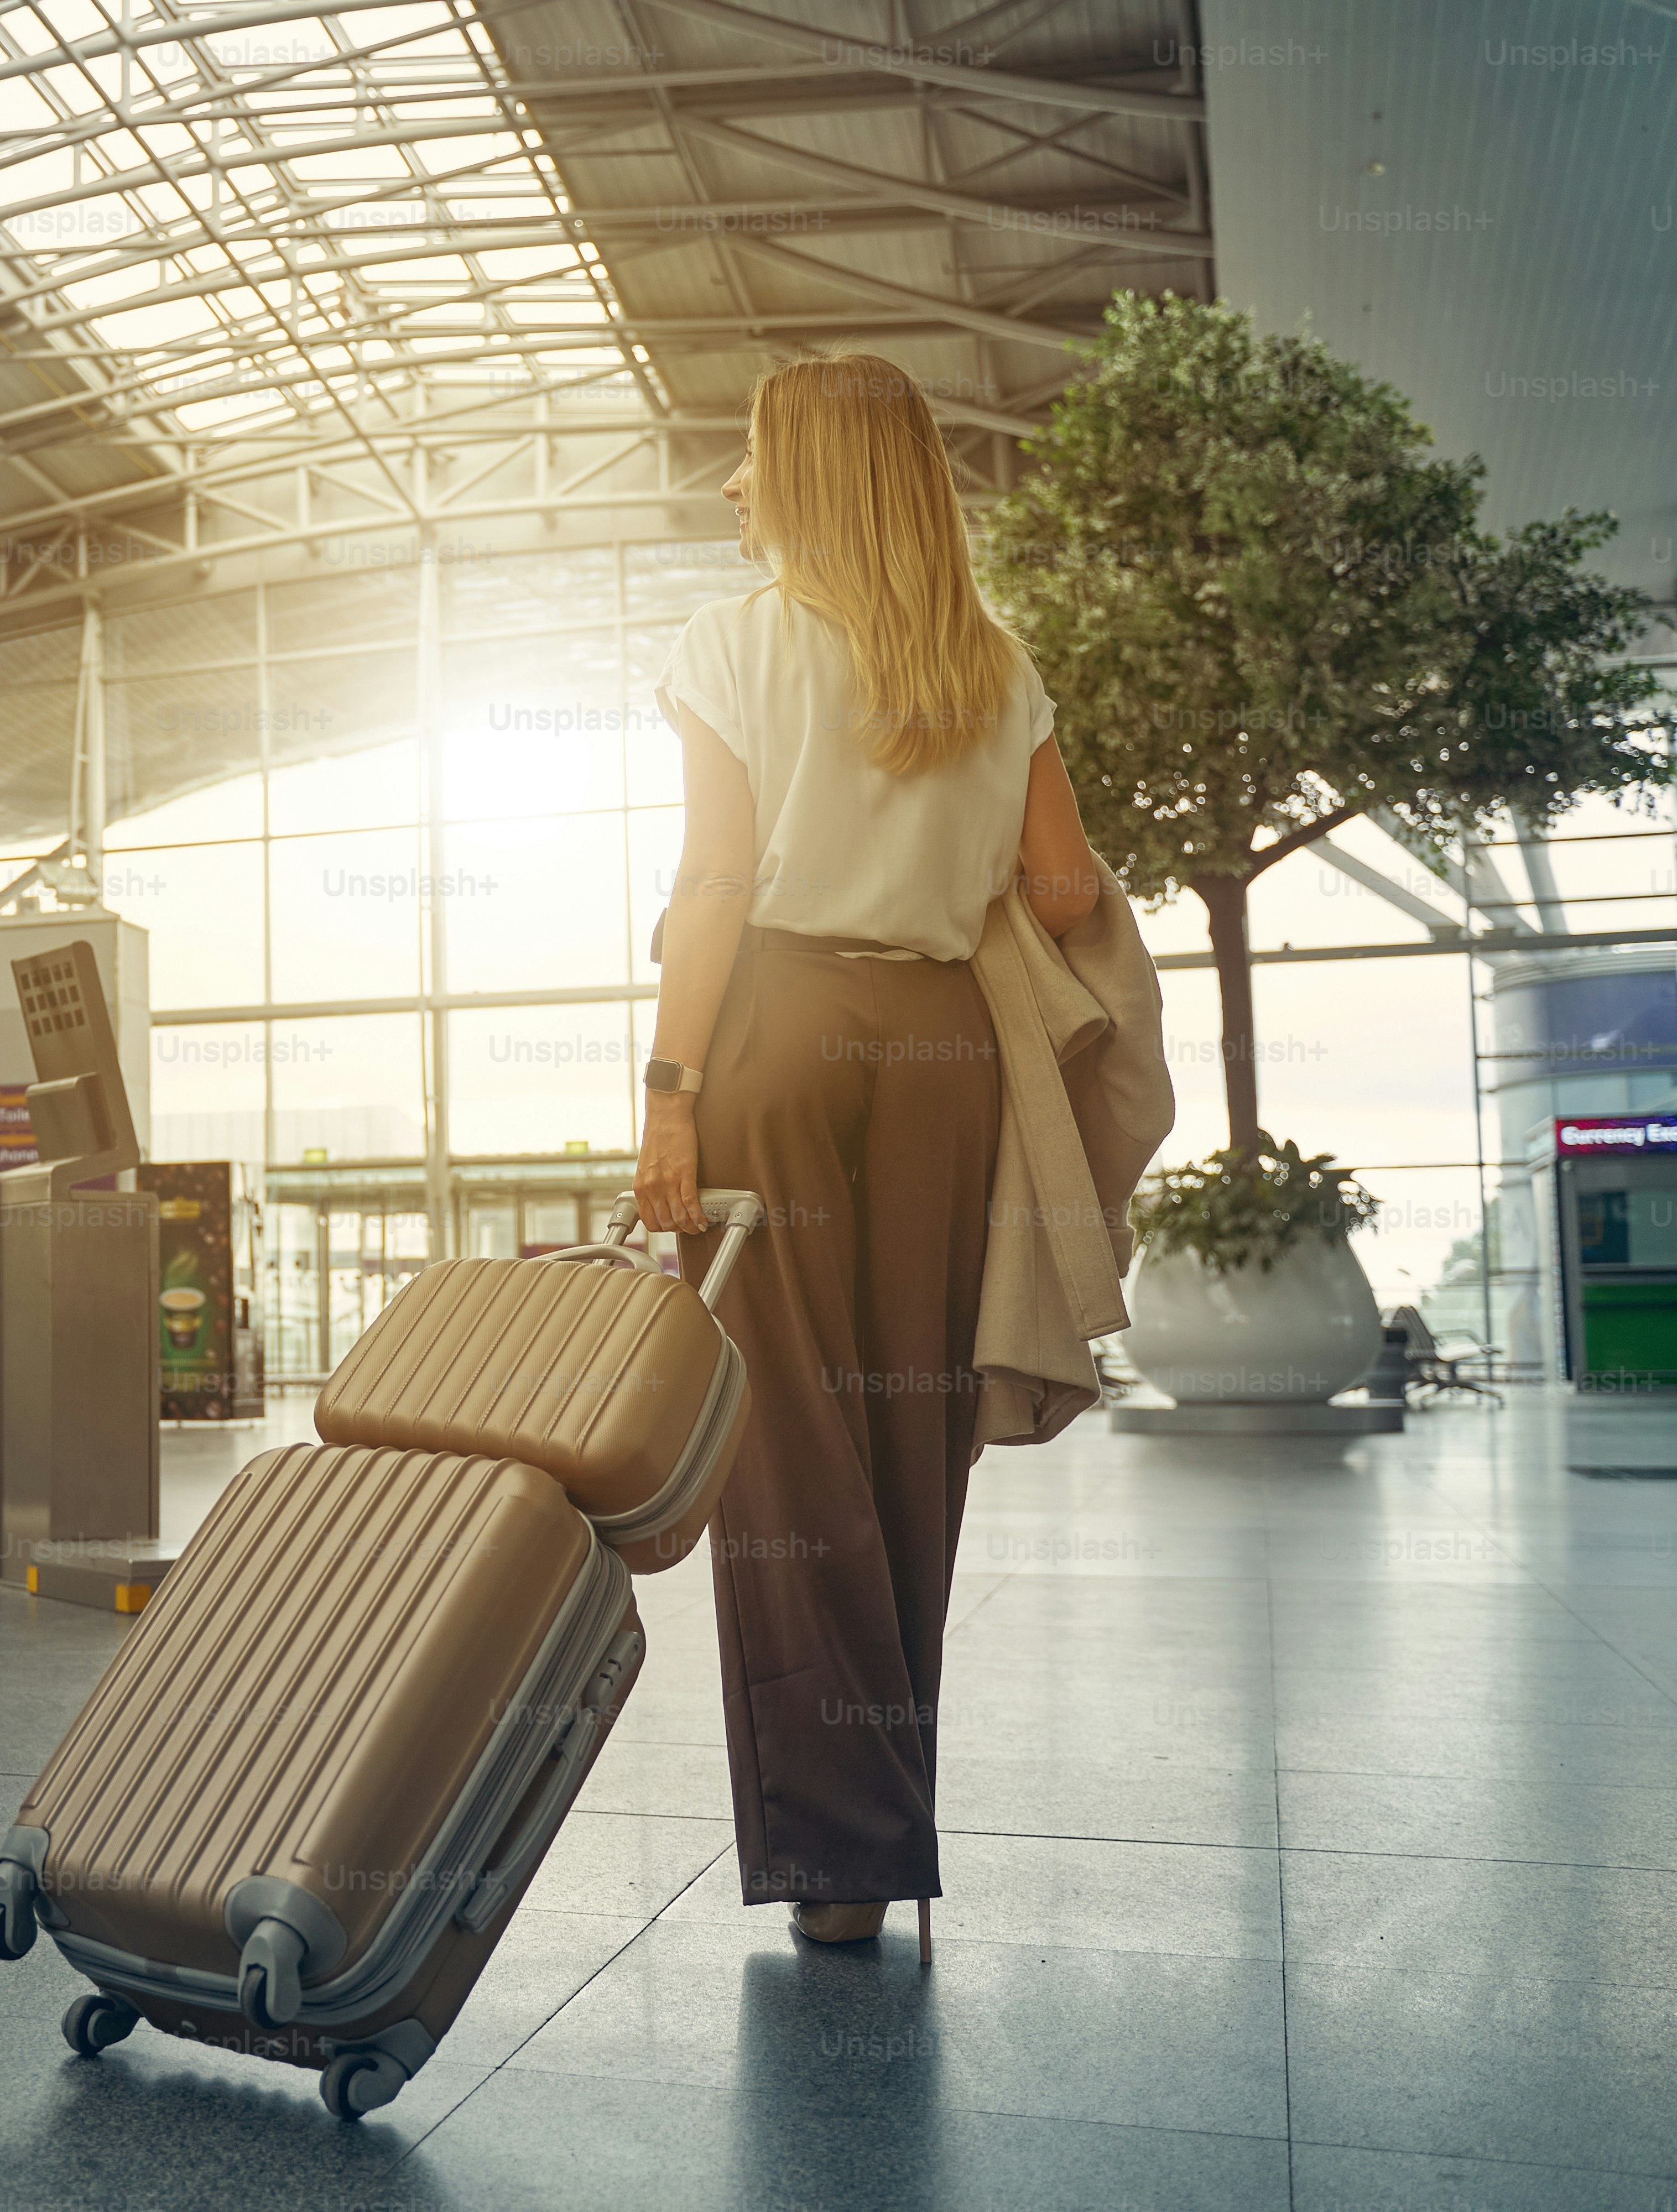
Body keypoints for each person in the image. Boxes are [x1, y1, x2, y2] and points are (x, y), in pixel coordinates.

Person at [632, 353, 1109, 1947]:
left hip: (776, 1036)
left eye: (752, 461)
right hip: (941, 1062)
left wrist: (667, 1090)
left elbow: (712, 889)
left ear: (814, 481)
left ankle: (842, 1853)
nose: (731, 489)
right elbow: (1062, 896)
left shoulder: (732, 646)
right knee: (914, 1438)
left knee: (782, 1440)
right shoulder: (992, 663)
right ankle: (871, 1844)